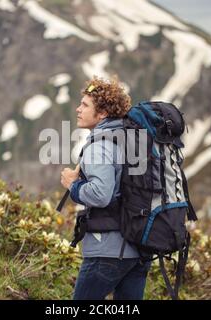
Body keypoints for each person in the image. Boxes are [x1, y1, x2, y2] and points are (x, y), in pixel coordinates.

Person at [60, 76, 152, 300]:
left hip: (107, 251)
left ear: (102, 114)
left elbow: (101, 195)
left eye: (85, 105)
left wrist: (73, 184)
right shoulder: (131, 140)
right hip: (138, 249)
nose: (78, 108)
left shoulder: (100, 145)